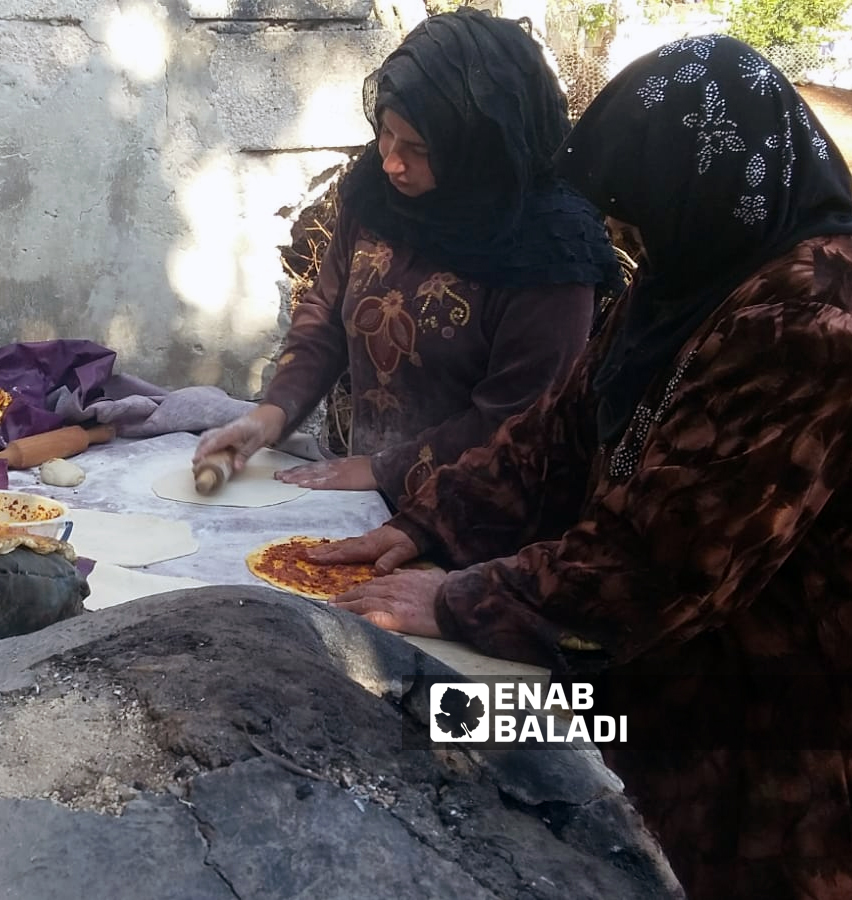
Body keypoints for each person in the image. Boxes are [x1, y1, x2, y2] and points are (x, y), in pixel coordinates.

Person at [324, 36, 852, 898]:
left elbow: (668, 562)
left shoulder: (813, 321)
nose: (624, 235)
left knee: (655, 868)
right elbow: (558, 432)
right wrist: (423, 521)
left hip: (754, 725)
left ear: (704, 192)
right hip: (633, 678)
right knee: (418, 721)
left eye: (638, 214)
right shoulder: (699, 265)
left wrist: (457, 596)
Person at [194, 8, 620, 508]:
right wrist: (270, 415)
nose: (391, 160)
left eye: (417, 147)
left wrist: (381, 469)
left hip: (477, 523)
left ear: (477, 149)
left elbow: (516, 418)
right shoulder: (379, 195)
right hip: (364, 498)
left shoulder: (549, 252)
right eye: (386, 133)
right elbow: (326, 316)